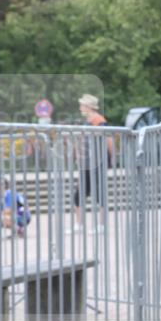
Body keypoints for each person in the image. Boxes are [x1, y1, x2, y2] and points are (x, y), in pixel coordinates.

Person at [71, 94, 112, 234]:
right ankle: (79, 224)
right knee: (80, 192)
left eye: (82, 104)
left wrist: (110, 158)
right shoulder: (87, 121)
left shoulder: (99, 120)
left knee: (99, 192)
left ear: (88, 106)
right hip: (87, 162)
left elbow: (108, 140)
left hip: (97, 161)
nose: (80, 107)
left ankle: (101, 225)